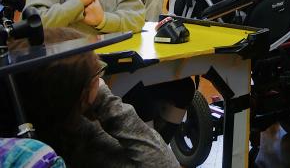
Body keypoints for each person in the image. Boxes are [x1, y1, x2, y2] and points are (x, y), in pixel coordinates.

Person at [25, 0, 193, 143]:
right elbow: (37, 24)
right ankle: (141, 149)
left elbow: (137, 17)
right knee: (139, 98)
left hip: (124, 63)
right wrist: (78, 3)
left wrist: (103, 21)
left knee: (183, 87)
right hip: (83, 73)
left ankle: (159, 144)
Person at [10, 27, 180, 168]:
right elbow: (164, 164)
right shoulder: (82, 140)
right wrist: (105, 98)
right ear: (79, 95)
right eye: (97, 74)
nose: (100, 79)